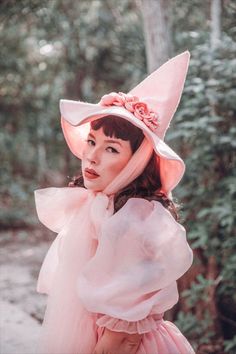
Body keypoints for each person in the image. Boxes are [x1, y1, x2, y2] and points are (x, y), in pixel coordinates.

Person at [34, 51, 195, 354]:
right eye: (92, 142)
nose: (92, 156)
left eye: (111, 149)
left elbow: (123, 335)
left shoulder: (136, 218)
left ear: (137, 161)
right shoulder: (102, 204)